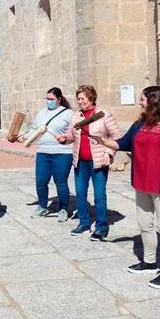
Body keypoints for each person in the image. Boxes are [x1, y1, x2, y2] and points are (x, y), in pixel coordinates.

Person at [90, 86, 160, 288]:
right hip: (142, 182)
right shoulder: (139, 124)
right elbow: (123, 143)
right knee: (145, 225)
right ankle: (149, 261)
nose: (140, 103)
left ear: (154, 102)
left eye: (143, 100)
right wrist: (103, 141)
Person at [57, 85, 122, 241]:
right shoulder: (76, 116)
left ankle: (101, 227)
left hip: (98, 161)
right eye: (78, 99)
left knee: (99, 195)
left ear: (91, 98)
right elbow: (72, 135)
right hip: (80, 161)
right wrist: (64, 139)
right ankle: (84, 223)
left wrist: (109, 153)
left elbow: (117, 136)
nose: (80, 102)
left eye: (82, 99)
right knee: (80, 193)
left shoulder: (103, 114)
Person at [19, 87, 73, 221]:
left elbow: (73, 132)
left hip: (62, 153)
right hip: (43, 152)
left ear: (59, 99)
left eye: (52, 99)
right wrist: (26, 136)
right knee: (41, 181)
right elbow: (34, 129)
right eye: (47, 99)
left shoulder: (68, 113)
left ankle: (63, 209)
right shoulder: (41, 113)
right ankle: (42, 207)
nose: (49, 101)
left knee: (60, 182)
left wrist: (65, 137)